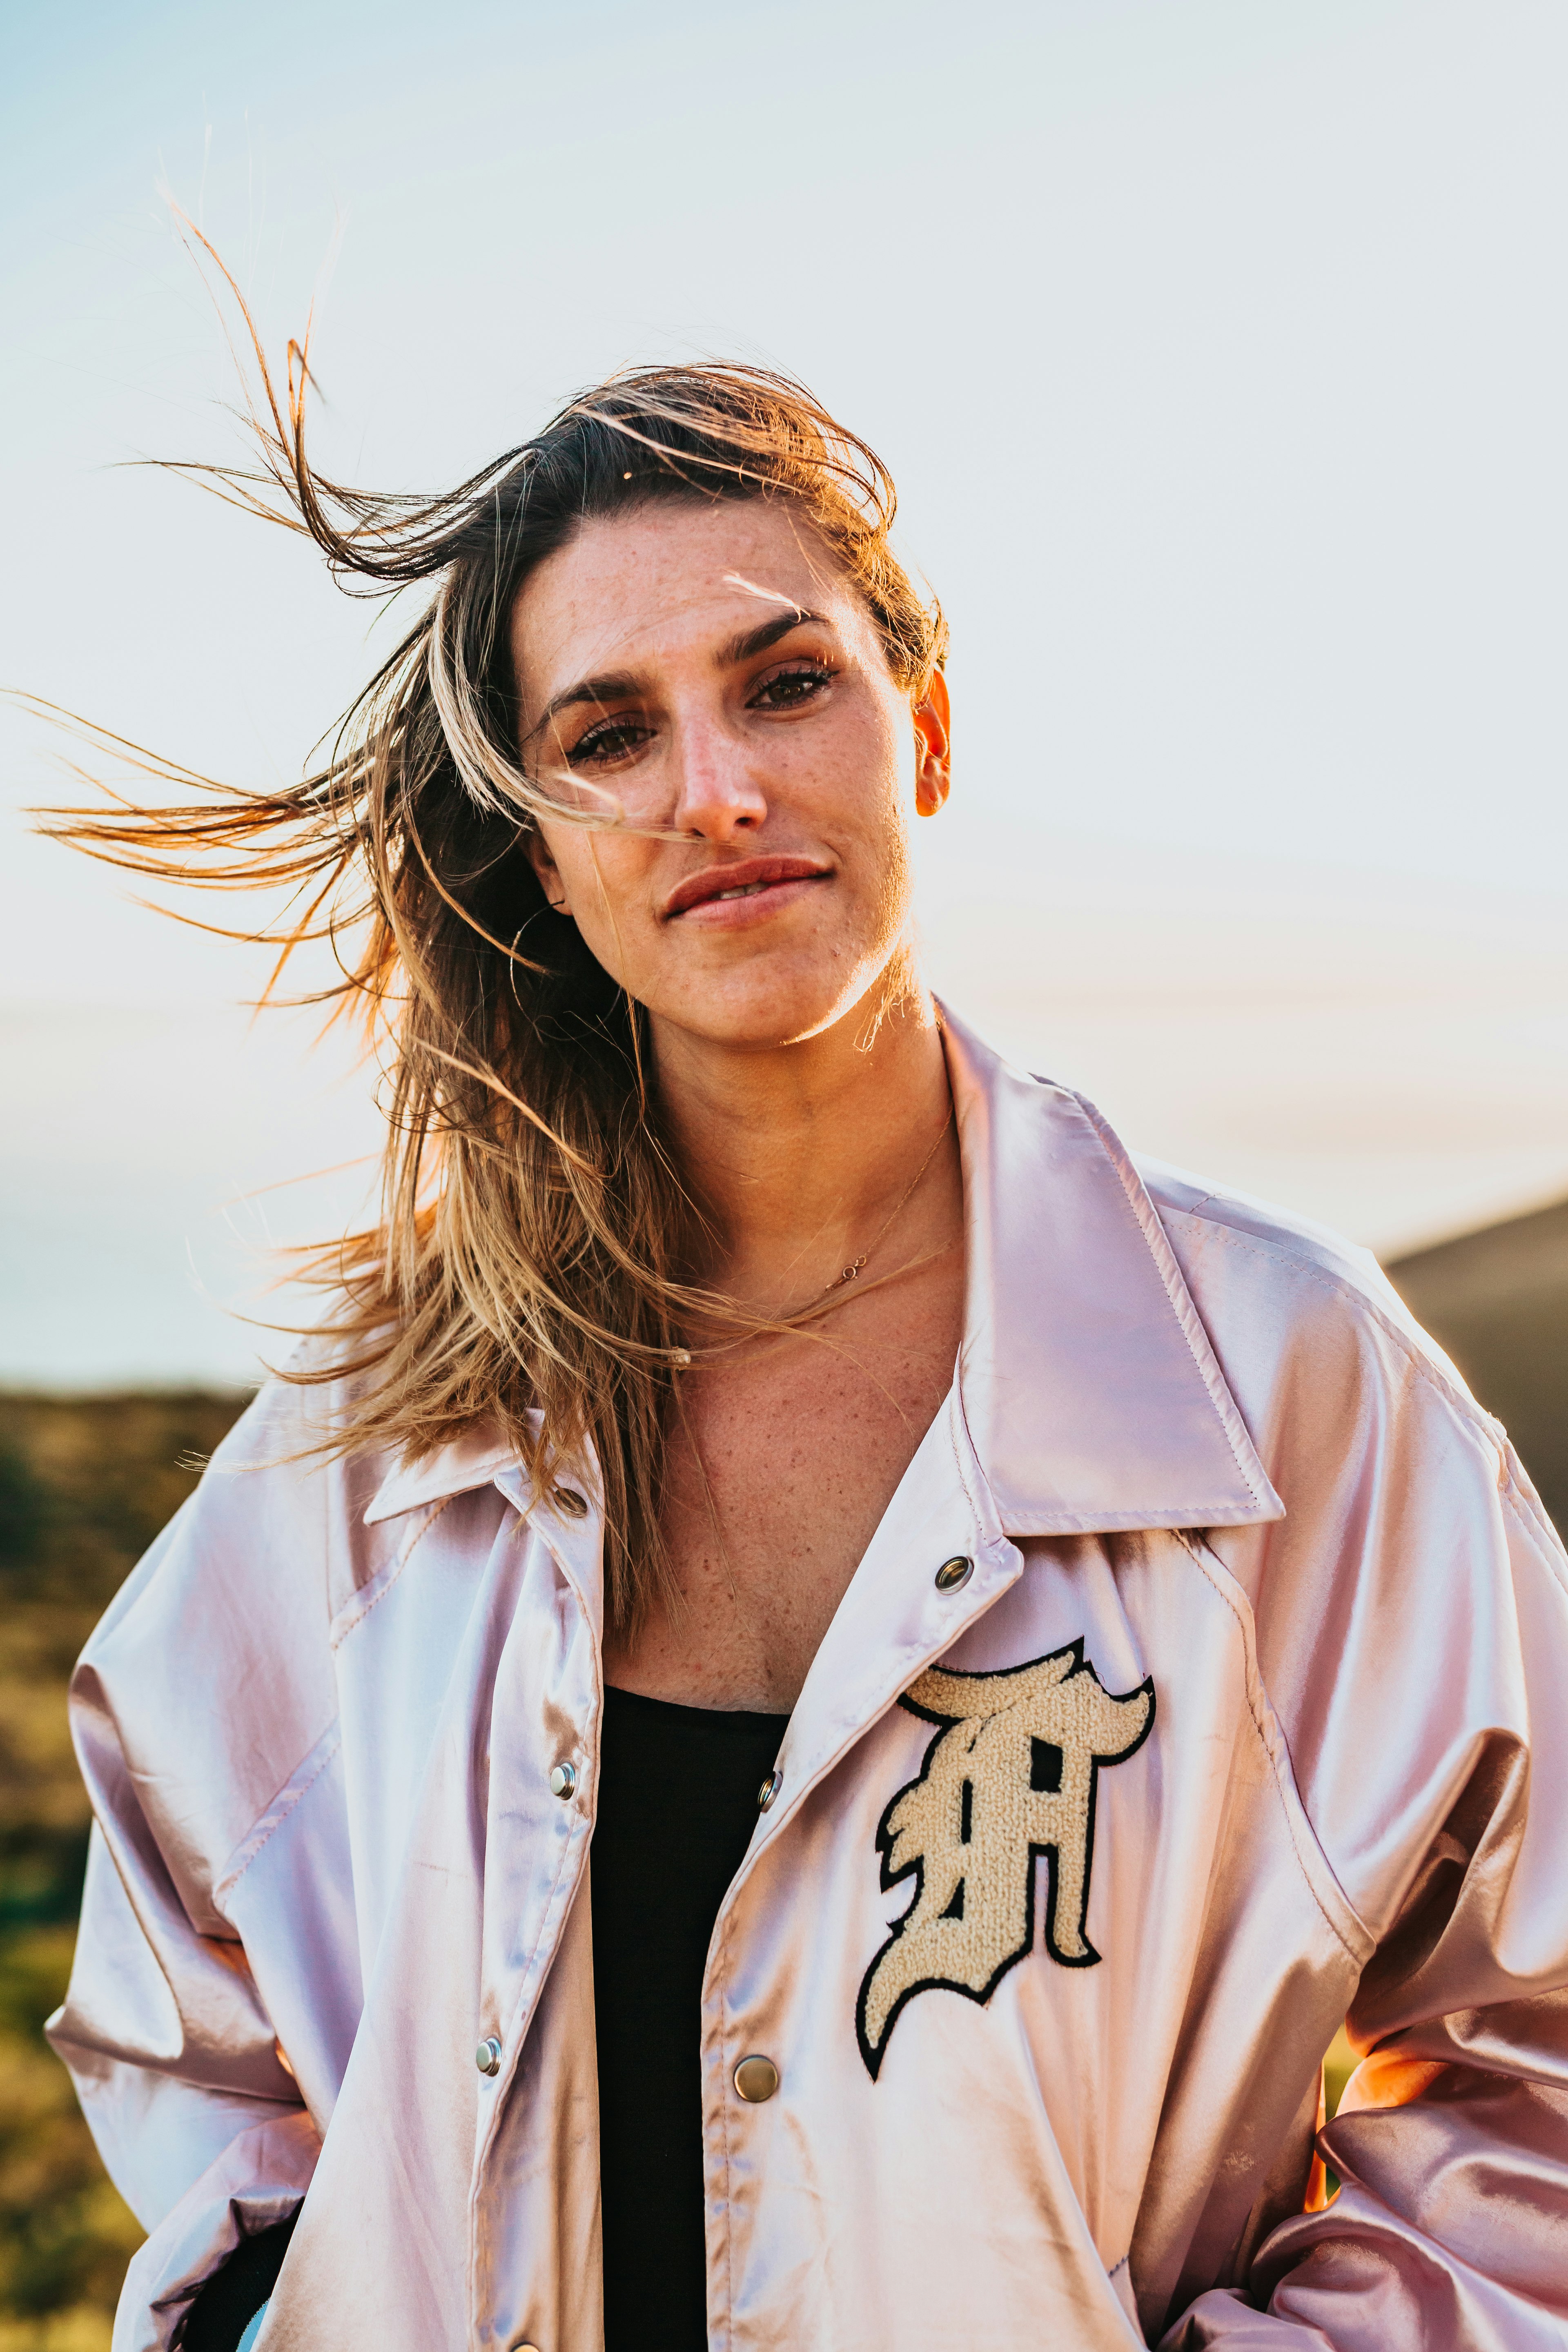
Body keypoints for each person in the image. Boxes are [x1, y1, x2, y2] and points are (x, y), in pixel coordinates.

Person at [42, 308, 1568, 2352]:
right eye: (610, 732)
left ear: (922, 731)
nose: (722, 788)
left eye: (787, 685)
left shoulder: (1277, 1388)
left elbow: (1536, 2070)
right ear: (543, 852)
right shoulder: (384, 1436)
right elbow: (186, 2013)